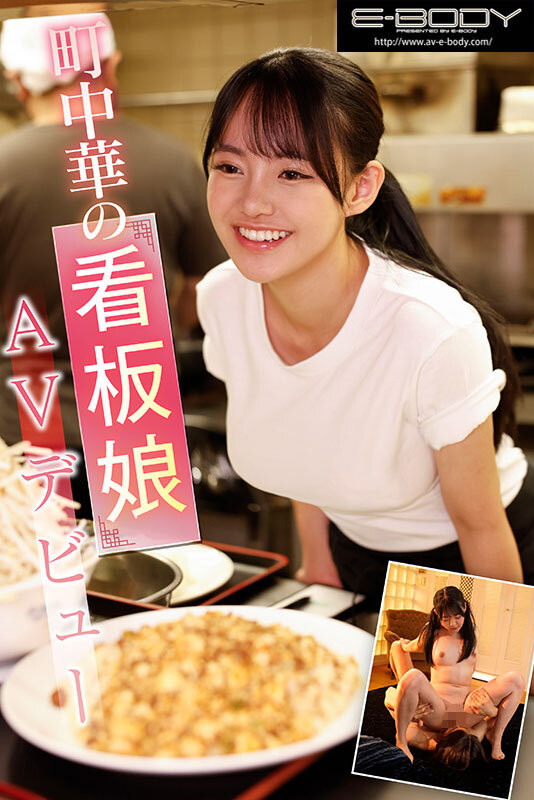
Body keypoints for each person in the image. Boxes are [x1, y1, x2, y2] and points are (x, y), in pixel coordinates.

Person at [196, 47, 534, 602]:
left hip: (472, 564)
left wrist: (491, 653)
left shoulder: (430, 329)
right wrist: (319, 571)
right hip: (355, 552)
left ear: (360, 188)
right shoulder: (222, 298)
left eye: (291, 173)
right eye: (229, 167)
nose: (252, 203)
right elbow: (302, 437)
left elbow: (480, 527)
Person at [0, 13, 226, 515]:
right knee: (147, 562)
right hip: (135, 424)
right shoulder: (172, 161)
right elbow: (205, 295)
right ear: (111, 63)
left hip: (23, 429)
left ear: (18, 81)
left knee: (41, 562)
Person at [385, 587, 525, 765]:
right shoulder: (431, 633)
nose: (452, 623)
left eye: (457, 617)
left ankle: (496, 738)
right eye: (446, 619)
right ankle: (401, 741)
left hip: (467, 710)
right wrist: (401, 645)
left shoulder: (471, 633)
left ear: (464, 607)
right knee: (413, 675)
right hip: (438, 709)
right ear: (437, 614)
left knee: (516, 680)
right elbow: (409, 647)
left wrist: (487, 705)